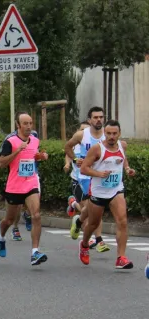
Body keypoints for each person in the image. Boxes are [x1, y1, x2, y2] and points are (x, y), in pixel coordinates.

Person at [78, 120, 136, 269]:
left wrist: (128, 169)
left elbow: (123, 160)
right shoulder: (97, 149)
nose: (111, 136)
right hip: (98, 192)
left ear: (119, 134)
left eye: (114, 133)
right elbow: (84, 169)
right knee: (93, 224)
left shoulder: (122, 146)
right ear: (105, 133)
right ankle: (84, 244)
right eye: (108, 133)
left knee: (122, 221)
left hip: (116, 189)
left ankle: (121, 258)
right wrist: (99, 173)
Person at [0, 112, 49, 265]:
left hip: (30, 183)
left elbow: (32, 156)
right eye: (25, 123)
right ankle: (1, 237)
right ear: (18, 125)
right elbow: (1, 163)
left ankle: (35, 252)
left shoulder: (35, 140)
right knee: (9, 220)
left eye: (30, 123)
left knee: (36, 215)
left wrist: (41, 156)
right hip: (15, 186)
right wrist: (17, 150)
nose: (28, 126)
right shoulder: (10, 141)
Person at [64, 107, 107, 251]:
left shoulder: (108, 135)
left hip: (98, 178)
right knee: (92, 209)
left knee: (93, 210)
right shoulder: (82, 135)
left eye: (101, 117)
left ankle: (78, 221)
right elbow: (67, 147)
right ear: (90, 120)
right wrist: (75, 160)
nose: (98, 119)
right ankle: (98, 240)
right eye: (95, 117)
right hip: (82, 177)